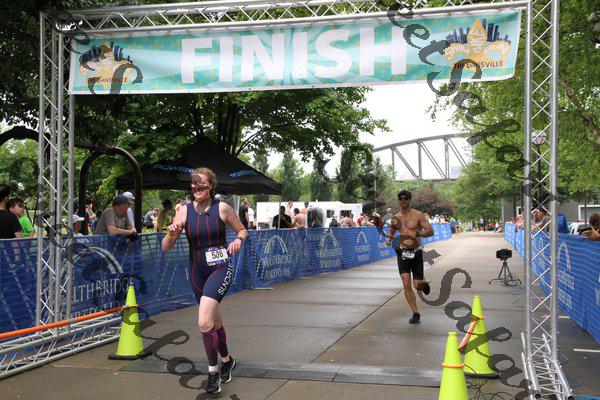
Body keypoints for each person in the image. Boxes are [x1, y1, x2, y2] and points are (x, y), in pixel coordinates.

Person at [162, 167, 246, 394]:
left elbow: (242, 230)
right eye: (194, 184)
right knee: (213, 321)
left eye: (202, 184)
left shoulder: (222, 208)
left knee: (203, 321)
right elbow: (166, 247)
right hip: (196, 272)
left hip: (219, 267)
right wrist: (171, 233)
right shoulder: (184, 211)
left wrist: (238, 241)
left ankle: (213, 372)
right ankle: (227, 360)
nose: (197, 188)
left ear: (211, 186)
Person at [385, 190, 434, 324]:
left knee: (416, 285)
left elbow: (430, 231)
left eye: (405, 198)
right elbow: (392, 231)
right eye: (400, 199)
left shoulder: (418, 215)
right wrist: (389, 239)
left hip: (416, 252)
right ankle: (415, 313)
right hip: (402, 252)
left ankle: (422, 285)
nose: (403, 201)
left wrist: (418, 234)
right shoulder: (396, 217)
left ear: (410, 200)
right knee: (406, 282)